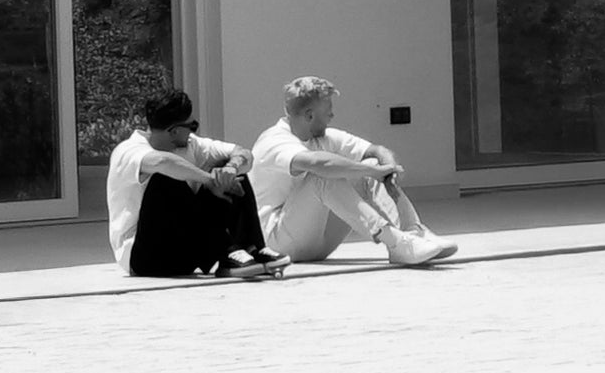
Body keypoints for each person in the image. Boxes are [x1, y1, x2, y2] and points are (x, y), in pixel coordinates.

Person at [249, 76, 459, 266]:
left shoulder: (323, 137)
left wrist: (389, 169)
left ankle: (413, 232)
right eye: (328, 111)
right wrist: (369, 170)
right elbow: (318, 163)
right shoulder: (274, 140)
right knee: (323, 177)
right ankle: (396, 241)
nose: (332, 115)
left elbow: (377, 151)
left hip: (317, 242)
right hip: (278, 242)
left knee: (371, 164)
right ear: (309, 115)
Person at [106, 90, 283, 280]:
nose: (193, 132)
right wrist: (210, 180)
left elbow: (243, 153)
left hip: (185, 252)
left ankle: (252, 248)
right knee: (165, 178)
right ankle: (227, 249)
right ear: (174, 130)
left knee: (229, 170)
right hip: (146, 258)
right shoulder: (128, 150)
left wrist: (231, 169)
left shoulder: (193, 145)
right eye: (192, 126)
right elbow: (162, 162)